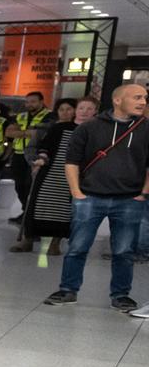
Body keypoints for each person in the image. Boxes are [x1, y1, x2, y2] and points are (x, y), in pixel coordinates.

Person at [45, 82, 149, 312]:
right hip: (90, 197)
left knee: (124, 251)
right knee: (77, 247)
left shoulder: (145, 128)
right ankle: (68, 290)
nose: (143, 102)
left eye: (144, 97)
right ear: (118, 100)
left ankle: (121, 295)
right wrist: (76, 193)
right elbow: (71, 161)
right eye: (137, 97)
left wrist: (143, 193)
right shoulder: (90, 127)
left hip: (130, 199)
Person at [12, 97, 93, 255]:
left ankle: (55, 243)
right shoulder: (58, 127)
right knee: (37, 205)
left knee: (64, 209)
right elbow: (45, 146)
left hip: (73, 176)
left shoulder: (92, 131)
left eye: (89, 109)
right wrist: (40, 159)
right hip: (50, 171)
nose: (84, 112)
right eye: (81, 108)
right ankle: (28, 239)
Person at [6, 90, 51, 221]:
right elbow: (9, 132)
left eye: (33, 101)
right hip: (19, 154)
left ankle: (30, 214)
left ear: (41, 102)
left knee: (30, 185)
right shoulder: (21, 116)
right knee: (19, 185)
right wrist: (28, 133)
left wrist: (21, 132)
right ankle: (25, 211)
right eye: (27, 102)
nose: (29, 104)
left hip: (35, 155)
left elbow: (39, 134)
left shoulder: (49, 116)